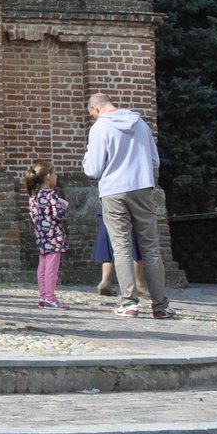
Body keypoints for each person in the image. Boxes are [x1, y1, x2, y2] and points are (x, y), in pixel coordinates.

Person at [82, 92, 173, 319]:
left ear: (95, 110)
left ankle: (129, 303)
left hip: (113, 190)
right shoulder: (140, 123)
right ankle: (160, 305)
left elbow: (93, 170)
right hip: (142, 187)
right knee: (150, 247)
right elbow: (154, 161)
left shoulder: (99, 128)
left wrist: (86, 159)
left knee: (121, 247)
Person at [24, 160, 70, 309]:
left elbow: (34, 216)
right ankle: (50, 297)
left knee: (42, 267)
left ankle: (43, 296)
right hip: (54, 236)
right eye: (55, 174)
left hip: (41, 236)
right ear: (49, 176)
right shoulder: (51, 195)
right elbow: (58, 215)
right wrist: (63, 205)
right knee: (52, 269)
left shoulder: (34, 196)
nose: (56, 177)